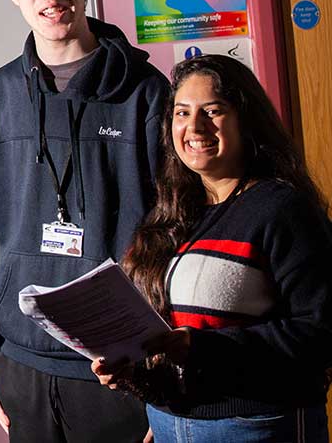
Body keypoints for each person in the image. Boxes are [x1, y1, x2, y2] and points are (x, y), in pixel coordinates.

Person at [0, 0, 170, 442]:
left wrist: (163, 372)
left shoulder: (145, 94)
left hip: (122, 368)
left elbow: (174, 227)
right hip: (21, 367)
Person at [92, 54, 332, 442]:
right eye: (182, 113)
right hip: (170, 422)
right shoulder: (172, 211)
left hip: (256, 424)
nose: (194, 126)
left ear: (245, 119)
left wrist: (203, 348)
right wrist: (130, 371)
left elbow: (320, 331)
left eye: (213, 111)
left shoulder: (281, 209)